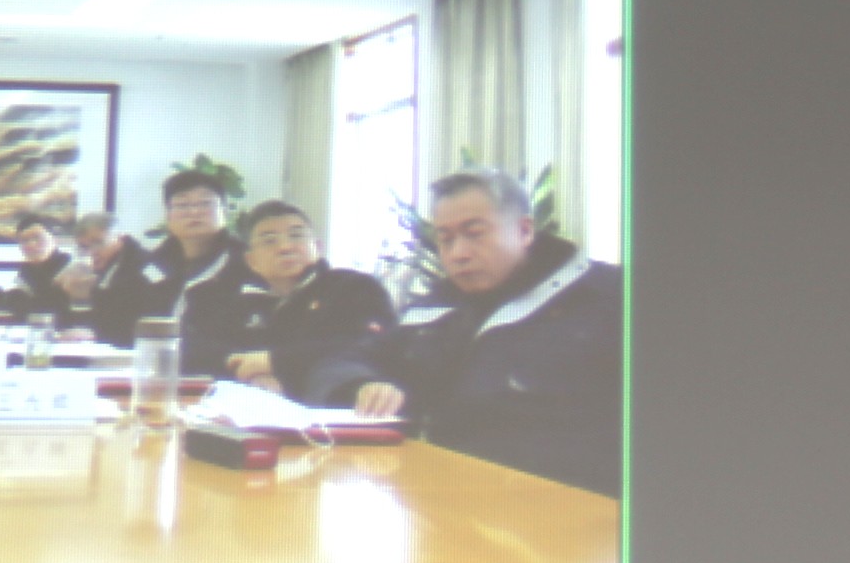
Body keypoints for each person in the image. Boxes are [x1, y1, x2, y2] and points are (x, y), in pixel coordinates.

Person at [305, 170, 623, 495]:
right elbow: (347, 359)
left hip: (555, 504)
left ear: (525, 230)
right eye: (445, 239)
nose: (458, 253)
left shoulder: (610, 300)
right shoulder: (435, 307)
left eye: (475, 234)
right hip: (428, 492)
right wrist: (362, 385)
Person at [191, 200, 394, 397]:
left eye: (296, 236)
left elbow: (370, 344)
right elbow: (194, 348)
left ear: (318, 247)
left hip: (341, 403)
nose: (285, 247)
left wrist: (274, 362)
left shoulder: (352, 287)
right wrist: (243, 368)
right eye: (269, 241)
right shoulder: (241, 304)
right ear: (251, 261)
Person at [99, 170, 245, 342]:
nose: (194, 212)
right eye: (182, 205)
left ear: (225, 212)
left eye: (205, 203)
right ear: (168, 216)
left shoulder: (245, 262)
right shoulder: (149, 266)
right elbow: (117, 322)